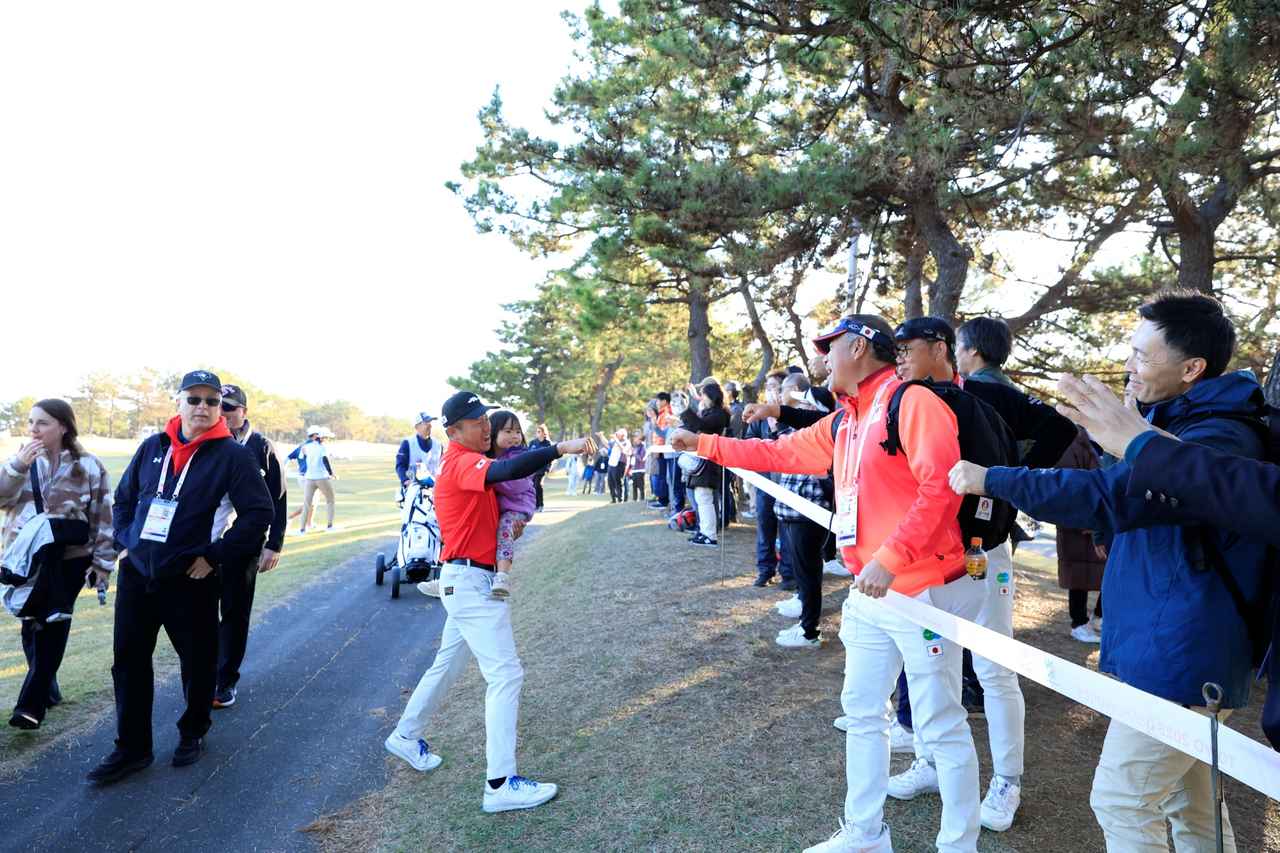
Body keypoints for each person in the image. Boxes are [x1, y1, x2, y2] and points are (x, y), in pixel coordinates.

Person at [949, 291, 1268, 852]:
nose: (1129, 365)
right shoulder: (1178, 420)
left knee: (1122, 799)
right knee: (1190, 804)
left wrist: (991, 478)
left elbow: (1109, 496)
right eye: (1130, 350)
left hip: (1186, 653)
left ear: (1191, 369)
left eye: (1143, 356)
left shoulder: (1219, 436)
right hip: (1175, 646)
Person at [671, 314, 985, 853]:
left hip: (920, 591)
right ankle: (865, 833)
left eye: (830, 347)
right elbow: (775, 453)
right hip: (870, 592)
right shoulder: (845, 420)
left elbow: (942, 488)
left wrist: (892, 556)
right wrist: (704, 443)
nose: (822, 358)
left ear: (860, 347)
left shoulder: (913, 403)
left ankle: (958, 843)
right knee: (863, 713)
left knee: (941, 725)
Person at [884, 315, 1076, 831]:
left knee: (993, 669)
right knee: (932, 663)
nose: (898, 355)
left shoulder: (990, 393)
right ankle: (930, 758)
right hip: (924, 560)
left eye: (908, 345)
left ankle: (1007, 781)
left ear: (943, 347)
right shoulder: (900, 400)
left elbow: (1059, 429)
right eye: (893, 348)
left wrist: (1011, 480)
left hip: (982, 553)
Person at [385, 390, 594, 813]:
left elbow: (507, 488)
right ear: (453, 431)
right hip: (471, 582)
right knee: (506, 675)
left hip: (466, 579)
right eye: (477, 422)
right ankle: (500, 784)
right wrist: (559, 448)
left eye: (487, 420)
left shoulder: (468, 460)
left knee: (447, 664)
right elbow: (512, 467)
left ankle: (405, 736)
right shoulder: (462, 461)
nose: (486, 427)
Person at [90, 370, 272, 785]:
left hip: (191, 576)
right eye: (195, 399)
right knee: (130, 662)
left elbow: (259, 515)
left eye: (212, 401)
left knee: (199, 659)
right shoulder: (152, 446)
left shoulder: (232, 456)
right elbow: (123, 500)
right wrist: (127, 541)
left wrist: (215, 556)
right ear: (178, 403)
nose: (203, 408)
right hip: (138, 574)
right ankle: (132, 748)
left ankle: (193, 731)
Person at [0, 399, 115, 730]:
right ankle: (47, 686)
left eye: (43, 423)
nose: (33, 429)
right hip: (27, 560)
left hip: (70, 560)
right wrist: (16, 467)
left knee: (54, 621)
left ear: (63, 426)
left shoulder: (89, 466)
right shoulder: (20, 462)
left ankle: (30, 706)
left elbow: (103, 517)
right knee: (31, 621)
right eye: (31, 422)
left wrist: (103, 564)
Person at [212, 384, 287, 710]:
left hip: (244, 546)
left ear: (244, 412)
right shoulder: (209, 443)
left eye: (229, 407)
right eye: (219, 406)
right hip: (204, 544)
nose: (223, 413)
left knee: (234, 613)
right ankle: (204, 672)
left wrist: (275, 544)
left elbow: (279, 499)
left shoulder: (261, 447)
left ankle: (224, 681)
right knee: (198, 614)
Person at [769, 374, 833, 649]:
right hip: (792, 510)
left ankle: (810, 630)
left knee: (809, 571)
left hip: (811, 512)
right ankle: (806, 620)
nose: (801, 410)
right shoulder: (799, 432)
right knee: (801, 569)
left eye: (807, 406)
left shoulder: (821, 431)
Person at [1055, 427, 1107, 644]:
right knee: (1078, 574)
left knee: (1103, 572)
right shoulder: (1074, 442)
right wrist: (1084, 519)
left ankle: (1097, 618)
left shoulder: (1102, 440)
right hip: (1077, 521)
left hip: (1098, 519)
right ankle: (1078, 623)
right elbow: (1068, 484)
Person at [743, 372, 794, 590]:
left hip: (787, 483)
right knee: (765, 527)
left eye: (776, 387)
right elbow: (748, 443)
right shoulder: (759, 418)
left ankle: (789, 573)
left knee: (787, 530)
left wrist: (775, 429)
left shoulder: (792, 415)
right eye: (768, 386)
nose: (771, 391)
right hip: (765, 482)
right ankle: (765, 570)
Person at [487, 410, 536, 599]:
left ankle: (502, 576)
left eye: (517, 431)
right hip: (503, 506)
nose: (515, 436)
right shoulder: (490, 456)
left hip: (517, 507)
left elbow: (515, 486)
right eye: (507, 431)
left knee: (506, 529)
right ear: (493, 433)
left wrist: (490, 476)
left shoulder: (521, 456)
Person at [679, 380, 731, 548]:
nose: (701, 398)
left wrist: (686, 410)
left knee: (705, 499)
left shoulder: (718, 414)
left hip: (709, 462)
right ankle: (704, 532)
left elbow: (702, 427)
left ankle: (710, 535)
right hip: (704, 461)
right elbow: (696, 427)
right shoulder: (711, 412)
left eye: (703, 395)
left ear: (711, 396)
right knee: (702, 499)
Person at [955, 317, 1017, 388]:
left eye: (958, 345)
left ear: (973, 348)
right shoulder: (1016, 391)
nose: (955, 353)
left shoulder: (966, 387)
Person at [298, 427, 336, 533]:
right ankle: (329, 526)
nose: (328, 439)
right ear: (322, 438)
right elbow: (325, 459)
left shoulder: (306, 446)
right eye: (327, 437)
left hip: (309, 478)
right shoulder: (323, 448)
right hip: (322, 478)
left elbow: (302, 457)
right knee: (330, 500)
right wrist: (331, 473)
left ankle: (302, 529)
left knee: (307, 504)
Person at [395, 413, 442, 489]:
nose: (429, 425)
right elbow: (400, 465)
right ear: (417, 427)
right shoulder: (408, 443)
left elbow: (443, 468)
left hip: (435, 490)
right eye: (426, 422)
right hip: (412, 490)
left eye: (430, 422)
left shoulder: (438, 445)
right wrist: (405, 480)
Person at [528, 425, 554, 511]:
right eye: (537, 431)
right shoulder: (532, 443)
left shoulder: (547, 444)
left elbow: (551, 457)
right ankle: (535, 505)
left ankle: (540, 505)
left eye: (539, 432)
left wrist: (548, 468)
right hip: (532, 469)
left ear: (544, 433)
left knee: (537, 485)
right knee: (532, 487)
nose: (538, 433)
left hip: (542, 468)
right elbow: (527, 456)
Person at [606, 428, 627, 503]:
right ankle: (613, 498)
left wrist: (616, 439)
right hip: (611, 463)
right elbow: (607, 445)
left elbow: (623, 449)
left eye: (618, 434)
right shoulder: (615, 442)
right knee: (610, 482)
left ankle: (620, 498)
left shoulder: (625, 442)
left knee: (618, 482)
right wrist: (601, 437)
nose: (616, 435)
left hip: (619, 464)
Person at [629, 432, 647, 502]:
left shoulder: (643, 447)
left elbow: (642, 459)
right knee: (634, 485)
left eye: (636, 438)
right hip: (634, 469)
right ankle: (634, 499)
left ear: (639, 439)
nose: (634, 439)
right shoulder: (635, 447)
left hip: (640, 469)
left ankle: (642, 498)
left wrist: (635, 454)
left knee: (641, 485)